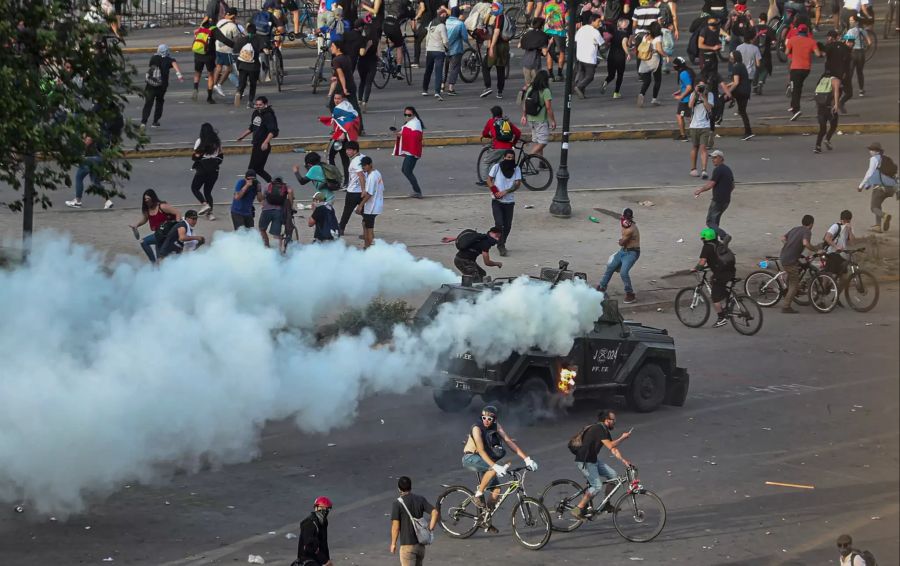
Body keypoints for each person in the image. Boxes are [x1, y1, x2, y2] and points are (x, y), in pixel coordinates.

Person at [460, 405, 537, 529]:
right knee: (491, 469)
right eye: (484, 417)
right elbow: (480, 450)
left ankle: (486, 517)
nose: (486, 420)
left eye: (489, 419)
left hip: (484, 460)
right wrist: (495, 466)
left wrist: (527, 459)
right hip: (471, 458)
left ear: (494, 419)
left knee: (497, 490)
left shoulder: (496, 426)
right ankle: (477, 495)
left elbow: (508, 441)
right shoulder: (476, 428)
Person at [570, 410, 632, 519]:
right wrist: (623, 437)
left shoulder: (604, 430)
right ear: (607, 420)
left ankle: (606, 505)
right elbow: (610, 445)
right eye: (613, 420)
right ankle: (578, 509)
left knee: (614, 477)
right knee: (597, 486)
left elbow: (613, 449)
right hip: (585, 461)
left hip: (593, 460)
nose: (615, 422)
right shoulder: (598, 429)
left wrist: (624, 461)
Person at [389, 476, 439, 566]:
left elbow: (395, 527)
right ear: (410, 486)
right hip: (420, 546)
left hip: (407, 547)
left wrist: (393, 544)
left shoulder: (397, 504)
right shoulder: (420, 499)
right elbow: (434, 512)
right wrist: (430, 528)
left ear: (399, 488)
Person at [596, 208, 641, 303]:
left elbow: (622, 242)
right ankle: (601, 288)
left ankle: (630, 294)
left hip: (632, 253)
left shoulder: (631, 229)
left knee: (623, 273)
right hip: (623, 251)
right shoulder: (626, 225)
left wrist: (620, 241)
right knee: (611, 267)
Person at [695, 227, 736, 327]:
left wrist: (696, 268)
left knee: (715, 297)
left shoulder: (707, 247)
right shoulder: (719, 244)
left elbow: (702, 262)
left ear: (705, 238)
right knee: (714, 282)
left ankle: (721, 318)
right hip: (731, 271)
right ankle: (728, 298)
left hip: (721, 274)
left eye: (702, 238)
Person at [779, 214, 818, 313]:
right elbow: (805, 243)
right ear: (811, 224)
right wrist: (816, 250)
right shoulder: (807, 231)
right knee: (794, 283)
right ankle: (786, 306)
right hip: (790, 261)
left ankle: (791, 289)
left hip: (784, 256)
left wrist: (790, 247)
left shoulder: (795, 229)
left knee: (799, 267)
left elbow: (783, 238)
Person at [694, 149, 734, 243]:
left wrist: (700, 190)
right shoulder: (728, 169)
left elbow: (711, 184)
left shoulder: (718, 170)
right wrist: (726, 193)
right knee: (715, 221)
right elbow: (733, 186)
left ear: (721, 158)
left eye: (715, 158)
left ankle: (724, 236)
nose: (713, 160)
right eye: (712, 158)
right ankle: (714, 241)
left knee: (710, 221)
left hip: (718, 200)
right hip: (726, 200)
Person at [319, 91, 360, 183]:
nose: (336, 100)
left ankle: (334, 179)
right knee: (345, 160)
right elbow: (340, 121)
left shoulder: (341, 109)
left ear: (343, 99)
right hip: (344, 137)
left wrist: (343, 133)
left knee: (330, 155)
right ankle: (346, 181)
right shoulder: (347, 107)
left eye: (338, 98)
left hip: (340, 137)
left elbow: (348, 123)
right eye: (335, 98)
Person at [130, 189, 180, 263]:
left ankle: (154, 264)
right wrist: (136, 225)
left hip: (167, 234)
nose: (146, 201)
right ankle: (156, 265)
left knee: (143, 241)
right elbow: (145, 219)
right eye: (145, 199)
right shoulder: (147, 210)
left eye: (148, 198)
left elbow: (177, 213)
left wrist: (176, 226)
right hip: (158, 234)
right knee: (160, 259)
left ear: (153, 198)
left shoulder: (162, 206)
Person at [237, 96, 279, 183]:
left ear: (265, 105)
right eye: (256, 104)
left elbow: (273, 131)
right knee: (258, 169)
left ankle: (250, 187)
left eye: (260, 104)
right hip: (256, 144)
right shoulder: (255, 113)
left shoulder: (268, 115)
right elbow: (252, 127)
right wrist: (242, 136)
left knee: (251, 170)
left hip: (262, 145)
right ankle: (273, 183)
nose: (258, 106)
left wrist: (266, 142)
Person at [65, 135, 114, 210]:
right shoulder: (92, 143)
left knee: (79, 178)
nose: (85, 141)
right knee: (95, 182)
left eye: (87, 139)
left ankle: (78, 201)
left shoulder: (87, 142)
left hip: (90, 161)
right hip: (98, 160)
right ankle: (107, 201)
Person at [487, 150, 521, 256]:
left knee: (508, 225)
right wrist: (495, 191)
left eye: (512, 158)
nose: (510, 160)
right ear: (504, 157)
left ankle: (502, 242)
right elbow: (489, 180)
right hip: (497, 201)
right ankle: (498, 243)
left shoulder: (516, 169)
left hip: (509, 201)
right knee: (499, 224)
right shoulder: (496, 167)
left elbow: (517, 183)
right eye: (508, 157)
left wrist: (505, 191)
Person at [140, 44, 183, 128]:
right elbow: (174, 64)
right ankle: (155, 121)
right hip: (162, 86)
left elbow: (151, 67)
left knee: (148, 103)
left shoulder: (153, 58)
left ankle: (143, 122)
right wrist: (179, 75)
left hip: (151, 84)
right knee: (159, 101)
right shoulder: (169, 59)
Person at [191, 17, 233, 103]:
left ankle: (195, 88)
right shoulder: (213, 29)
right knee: (210, 74)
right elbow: (224, 40)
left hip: (198, 53)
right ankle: (209, 97)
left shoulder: (201, 28)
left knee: (197, 72)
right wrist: (235, 45)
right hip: (208, 55)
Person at [858, 142, 897, 232]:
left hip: (880, 188)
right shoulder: (886, 159)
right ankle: (878, 226)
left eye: (871, 150)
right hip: (891, 188)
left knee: (873, 207)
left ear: (876, 151)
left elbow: (869, 173)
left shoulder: (874, 159)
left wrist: (861, 186)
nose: (870, 151)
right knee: (878, 205)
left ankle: (885, 216)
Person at [785, 24, 821, 121]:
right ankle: (793, 105)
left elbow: (786, 52)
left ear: (798, 32)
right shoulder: (811, 41)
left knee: (794, 89)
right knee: (798, 86)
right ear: (807, 32)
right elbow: (818, 54)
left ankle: (796, 109)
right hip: (806, 69)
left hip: (795, 68)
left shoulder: (792, 40)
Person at [479, 105, 521, 185]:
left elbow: (484, 133)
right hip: (508, 148)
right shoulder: (507, 122)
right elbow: (518, 133)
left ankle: (485, 181)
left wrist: (490, 136)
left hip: (497, 147)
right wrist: (513, 143)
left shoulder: (491, 121)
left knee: (486, 162)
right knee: (500, 164)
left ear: (493, 114)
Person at [191, 123, 224, 221]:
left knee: (195, 188)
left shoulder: (200, 141)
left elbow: (195, 156)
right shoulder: (217, 142)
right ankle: (210, 214)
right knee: (208, 192)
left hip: (202, 169)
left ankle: (204, 204)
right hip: (214, 170)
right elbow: (221, 155)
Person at [520, 70, 555, 158]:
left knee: (538, 142)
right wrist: (553, 121)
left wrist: (524, 115)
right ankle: (527, 158)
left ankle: (541, 162)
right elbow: (548, 107)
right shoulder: (545, 91)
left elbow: (525, 103)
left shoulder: (531, 88)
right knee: (543, 142)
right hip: (541, 120)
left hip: (531, 119)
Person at [393, 106, 426, 198]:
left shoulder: (416, 124)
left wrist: (402, 134)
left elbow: (414, 136)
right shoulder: (410, 122)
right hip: (411, 151)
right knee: (406, 170)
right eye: (405, 114)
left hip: (413, 151)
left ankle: (418, 191)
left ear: (413, 114)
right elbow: (404, 134)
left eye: (409, 115)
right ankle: (417, 191)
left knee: (407, 171)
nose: (407, 116)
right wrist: (397, 133)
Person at [480, 2, 511, 99]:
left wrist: (492, 47)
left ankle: (488, 86)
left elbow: (496, 32)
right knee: (500, 69)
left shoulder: (498, 18)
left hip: (497, 45)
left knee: (485, 66)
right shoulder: (505, 17)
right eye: (492, 8)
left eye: (495, 8)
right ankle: (500, 92)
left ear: (500, 8)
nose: (493, 10)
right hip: (505, 45)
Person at [721, 50, 753, 140]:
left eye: (731, 56)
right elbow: (737, 80)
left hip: (740, 91)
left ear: (734, 58)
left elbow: (736, 83)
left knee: (722, 99)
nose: (729, 58)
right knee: (743, 112)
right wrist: (728, 85)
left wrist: (728, 93)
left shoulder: (736, 67)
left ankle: (718, 118)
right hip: (746, 91)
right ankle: (748, 132)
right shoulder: (741, 65)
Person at [518, 17, 550, 101]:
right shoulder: (542, 36)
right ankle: (531, 97)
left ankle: (525, 93)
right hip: (535, 62)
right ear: (542, 25)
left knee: (528, 83)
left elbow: (519, 45)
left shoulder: (527, 34)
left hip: (526, 62)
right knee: (535, 83)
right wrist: (549, 44)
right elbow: (545, 53)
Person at [687, 80, 715, 179]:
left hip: (705, 125)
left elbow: (709, 108)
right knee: (695, 147)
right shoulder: (693, 94)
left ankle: (704, 170)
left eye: (703, 86)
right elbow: (690, 105)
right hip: (694, 125)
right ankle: (693, 169)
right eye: (700, 86)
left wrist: (704, 97)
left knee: (703, 148)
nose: (702, 88)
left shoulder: (710, 95)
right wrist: (695, 93)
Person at [573, 13, 604, 99]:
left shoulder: (581, 29)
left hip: (580, 56)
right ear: (593, 21)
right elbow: (602, 44)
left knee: (582, 74)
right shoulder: (595, 32)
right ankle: (578, 87)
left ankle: (581, 93)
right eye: (598, 21)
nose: (600, 23)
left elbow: (576, 40)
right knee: (590, 76)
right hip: (589, 57)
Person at [258, 176, 294, 250]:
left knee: (262, 229)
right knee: (276, 234)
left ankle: (267, 247)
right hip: (278, 212)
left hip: (266, 211)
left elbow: (261, 199)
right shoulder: (286, 186)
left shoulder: (267, 185)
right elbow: (290, 194)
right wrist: (290, 206)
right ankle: (279, 252)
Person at [823, 209, 855, 292]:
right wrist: (836, 246)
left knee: (844, 278)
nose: (848, 222)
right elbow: (827, 237)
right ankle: (821, 295)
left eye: (849, 221)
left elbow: (852, 242)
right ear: (843, 220)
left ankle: (836, 298)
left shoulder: (848, 229)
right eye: (846, 220)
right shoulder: (836, 226)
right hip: (832, 253)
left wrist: (850, 230)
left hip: (842, 255)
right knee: (829, 275)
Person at [356, 156, 384, 249]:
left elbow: (369, 194)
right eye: (362, 166)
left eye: (365, 165)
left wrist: (360, 205)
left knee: (369, 229)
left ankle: (370, 249)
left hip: (372, 207)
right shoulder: (377, 173)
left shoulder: (372, 177)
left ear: (370, 165)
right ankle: (367, 246)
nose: (363, 167)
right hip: (376, 205)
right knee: (365, 224)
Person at [422, 7, 450, 99]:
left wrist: (426, 49)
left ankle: (424, 90)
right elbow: (445, 40)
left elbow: (427, 37)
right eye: (445, 15)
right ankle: (437, 92)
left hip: (430, 50)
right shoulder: (442, 26)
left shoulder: (431, 23)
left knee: (428, 71)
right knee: (438, 72)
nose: (445, 17)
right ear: (442, 15)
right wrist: (447, 48)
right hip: (439, 51)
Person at [637, 22, 666, 107]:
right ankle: (654, 99)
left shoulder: (645, 37)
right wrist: (666, 55)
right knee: (657, 80)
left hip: (645, 60)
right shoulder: (658, 38)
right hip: (655, 60)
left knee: (647, 80)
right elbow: (659, 50)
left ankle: (642, 94)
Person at [298, 497, 333, 566]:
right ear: (316, 508)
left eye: (327, 509)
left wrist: (327, 560)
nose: (324, 511)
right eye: (322, 508)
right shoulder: (309, 523)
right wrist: (325, 560)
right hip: (307, 561)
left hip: (318, 560)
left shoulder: (323, 522)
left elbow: (324, 544)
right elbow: (309, 546)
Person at [601, 17, 631, 99]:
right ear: (624, 25)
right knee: (620, 75)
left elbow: (608, 42)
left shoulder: (614, 33)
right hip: (620, 57)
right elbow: (624, 43)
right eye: (626, 23)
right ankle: (616, 93)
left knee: (611, 75)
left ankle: (606, 82)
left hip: (611, 56)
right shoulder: (625, 34)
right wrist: (627, 53)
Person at [339, 141, 366, 235]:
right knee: (365, 212)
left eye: (349, 150)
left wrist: (363, 190)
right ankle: (367, 230)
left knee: (347, 212)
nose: (347, 152)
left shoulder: (356, 161)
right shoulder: (363, 157)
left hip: (354, 191)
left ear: (355, 151)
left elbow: (361, 175)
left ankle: (341, 229)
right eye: (346, 149)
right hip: (361, 191)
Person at [214, 7, 241, 91]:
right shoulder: (233, 26)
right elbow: (237, 40)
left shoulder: (220, 22)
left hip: (217, 47)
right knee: (229, 69)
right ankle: (219, 84)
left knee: (218, 67)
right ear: (234, 16)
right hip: (227, 50)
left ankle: (214, 84)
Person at [844, 16, 869, 99]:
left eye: (852, 21)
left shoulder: (850, 31)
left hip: (853, 53)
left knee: (850, 72)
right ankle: (861, 90)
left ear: (856, 22)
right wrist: (865, 48)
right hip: (861, 53)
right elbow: (870, 42)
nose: (850, 22)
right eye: (850, 20)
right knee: (860, 72)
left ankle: (848, 91)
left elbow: (848, 43)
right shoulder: (862, 30)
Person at [542, 0, 568, 82]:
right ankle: (559, 74)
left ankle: (550, 75)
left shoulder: (546, 3)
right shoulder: (564, 4)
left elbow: (543, 16)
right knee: (562, 52)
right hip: (559, 31)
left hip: (548, 31)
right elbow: (567, 19)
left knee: (550, 52)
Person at [444, 7, 468, 96]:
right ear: (458, 14)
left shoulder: (445, 22)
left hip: (444, 48)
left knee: (445, 67)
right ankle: (451, 88)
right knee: (454, 68)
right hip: (456, 49)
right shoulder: (460, 24)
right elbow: (465, 37)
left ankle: (442, 84)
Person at [671, 56, 694, 141]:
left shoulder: (683, 74)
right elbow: (686, 85)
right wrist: (679, 91)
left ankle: (684, 135)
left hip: (686, 99)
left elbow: (689, 87)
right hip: (689, 97)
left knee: (681, 116)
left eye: (674, 65)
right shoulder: (688, 71)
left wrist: (681, 96)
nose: (673, 67)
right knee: (688, 116)